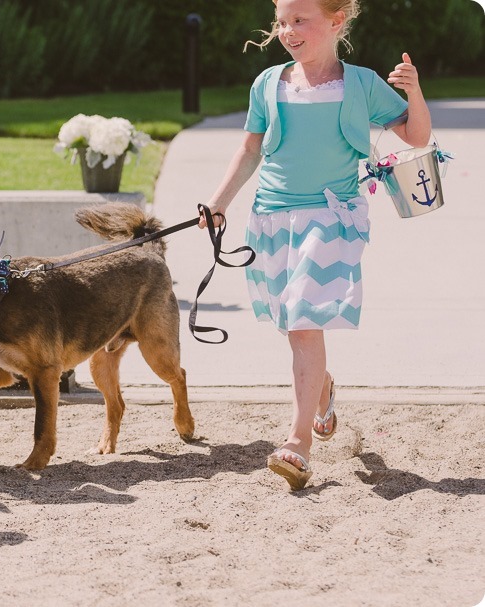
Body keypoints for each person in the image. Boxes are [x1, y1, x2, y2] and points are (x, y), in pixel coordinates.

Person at [201, 0, 430, 490]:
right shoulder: (268, 83)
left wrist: (414, 93)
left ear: (337, 21)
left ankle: (298, 444)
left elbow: (416, 136)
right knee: (294, 322)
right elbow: (249, 150)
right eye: (281, 22)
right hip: (272, 218)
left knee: (304, 320)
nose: (288, 31)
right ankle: (320, 387)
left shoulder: (363, 83)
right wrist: (218, 203)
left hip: (333, 216)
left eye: (300, 20)